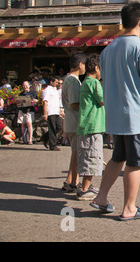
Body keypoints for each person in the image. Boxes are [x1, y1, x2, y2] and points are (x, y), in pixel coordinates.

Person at [91, 2, 140, 221]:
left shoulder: (107, 50)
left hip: (115, 116)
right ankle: (129, 207)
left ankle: (101, 197)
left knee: (117, 158)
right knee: (135, 162)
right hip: (137, 117)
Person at [76, 53, 104, 201]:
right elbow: (103, 100)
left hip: (87, 126)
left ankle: (86, 186)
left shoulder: (85, 82)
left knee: (89, 157)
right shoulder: (94, 83)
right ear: (96, 67)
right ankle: (84, 189)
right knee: (92, 159)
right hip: (92, 126)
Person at [61, 51, 87, 193]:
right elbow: (73, 103)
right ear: (80, 64)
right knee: (77, 153)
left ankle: (70, 180)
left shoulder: (68, 79)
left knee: (75, 153)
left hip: (70, 121)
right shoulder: (73, 81)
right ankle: (74, 182)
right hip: (74, 121)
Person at [42, 75, 62, 151]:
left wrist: (60, 110)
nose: (57, 84)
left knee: (59, 127)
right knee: (52, 128)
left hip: (56, 111)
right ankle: (53, 145)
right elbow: (45, 102)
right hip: (50, 111)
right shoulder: (47, 90)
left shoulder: (55, 90)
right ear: (51, 82)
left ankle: (45, 137)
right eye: (56, 82)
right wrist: (45, 113)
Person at [17, 81, 38, 145]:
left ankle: (30, 139)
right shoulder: (21, 94)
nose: (25, 87)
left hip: (29, 110)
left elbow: (36, 100)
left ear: (29, 86)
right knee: (23, 124)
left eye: (26, 85)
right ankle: (24, 139)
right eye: (24, 85)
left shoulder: (32, 93)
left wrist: (32, 100)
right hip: (22, 110)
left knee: (29, 123)